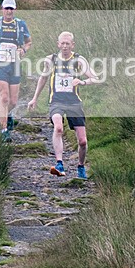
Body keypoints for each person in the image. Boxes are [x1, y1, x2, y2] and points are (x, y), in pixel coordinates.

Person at [27, 31, 100, 179]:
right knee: (58, 127)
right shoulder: (51, 59)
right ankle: (59, 163)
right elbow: (43, 79)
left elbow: (95, 78)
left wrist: (82, 82)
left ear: (72, 45)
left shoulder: (79, 60)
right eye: (63, 43)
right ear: (58, 44)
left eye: (68, 43)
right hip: (57, 101)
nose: (65, 46)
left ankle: (80, 166)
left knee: (83, 141)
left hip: (74, 102)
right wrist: (34, 98)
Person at [0, 0, 32, 142]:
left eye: (11, 8)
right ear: (2, 8)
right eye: (6, 8)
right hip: (0, 64)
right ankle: (4, 131)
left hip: (14, 64)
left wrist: (23, 50)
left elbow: (29, 42)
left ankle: (6, 114)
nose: (8, 11)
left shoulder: (21, 25)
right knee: (4, 97)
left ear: (14, 9)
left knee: (14, 101)